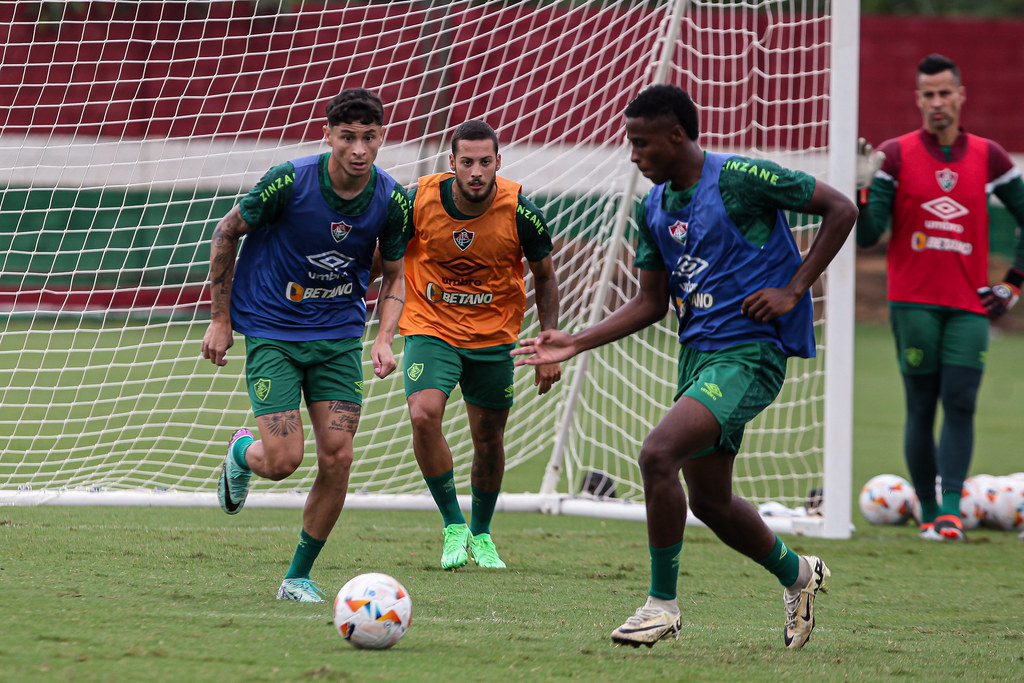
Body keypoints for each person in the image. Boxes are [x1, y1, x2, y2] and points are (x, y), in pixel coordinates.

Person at [513, 84, 857, 648]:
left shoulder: (741, 179)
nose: (632, 155)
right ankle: (799, 574)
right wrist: (575, 341)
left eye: (641, 143)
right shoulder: (653, 207)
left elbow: (841, 208)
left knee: (656, 455)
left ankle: (661, 606)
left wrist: (795, 290)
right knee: (711, 502)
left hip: (750, 354)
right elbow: (650, 302)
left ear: (676, 136)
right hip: (698, 357)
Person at [200, 88, 411, 602]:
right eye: (347, 137)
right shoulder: (289, 181)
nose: (359, 148)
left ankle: (296, 576)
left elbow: (394, 274)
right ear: (328, 137)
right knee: (284, 460)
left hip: (339, 340)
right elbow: (226, 234)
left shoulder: (392, 199)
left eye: (369, 137)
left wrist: (384, 337)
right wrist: (220, 321)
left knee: (338, 458)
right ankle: (242, 452)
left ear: (381, 138)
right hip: (274, 332)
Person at [856, 54, 1024, 542]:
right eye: (927, 95)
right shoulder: (896, 154)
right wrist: (862, 189)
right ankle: (928, 510)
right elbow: (869, 235)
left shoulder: (989, 155)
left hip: (970, 306)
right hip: (913, 304)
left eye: (944, 93)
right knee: (921, 405)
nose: (937, 103)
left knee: (962, 402)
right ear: (918, 100)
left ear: (960, 95)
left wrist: (1012, 283)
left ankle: (951, 510)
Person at [400, 120, 561, 571]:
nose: (475, 171)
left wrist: (548, 342)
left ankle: (482, 532)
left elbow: (546, 277)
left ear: (498, 164)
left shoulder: (521, 212)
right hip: (431, 327)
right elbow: (386, 259)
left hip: (493, 338)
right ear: (451, 164)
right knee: (423, 413)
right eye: (466, 162)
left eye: (484, 162)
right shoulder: (418, 201)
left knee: (488, 438)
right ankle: (453, 524)